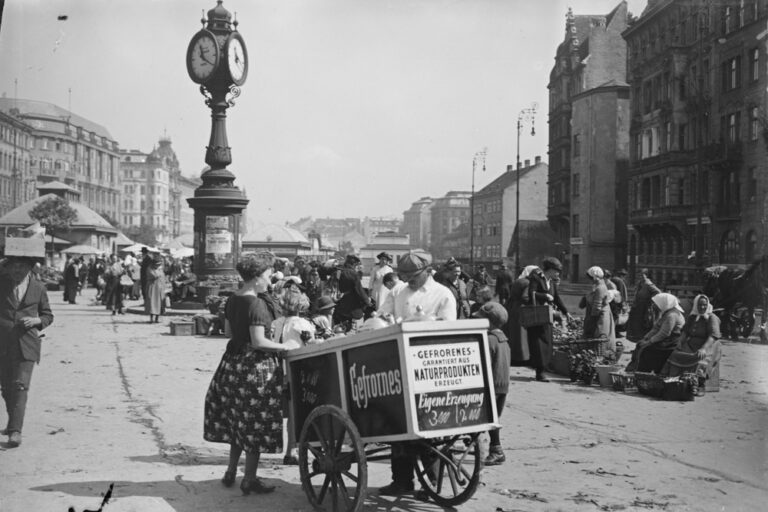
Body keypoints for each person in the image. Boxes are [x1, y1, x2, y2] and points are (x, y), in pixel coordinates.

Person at [203, 251, 289, 495]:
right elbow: (259, 341)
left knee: (237, 421)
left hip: (231, 366)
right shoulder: (257, 304)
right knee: (255, 423)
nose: (270, 280)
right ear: (256, 277)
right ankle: (249, 479)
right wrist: (285, 346)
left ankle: (230, 471)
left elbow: (230, 333)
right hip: (255, 369)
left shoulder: (232, 299)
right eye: (268, 275)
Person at [377, 250, 456, 496]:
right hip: (398, 364)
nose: (409, 280)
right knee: (398, 425)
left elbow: (449, 331)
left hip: (430, 368)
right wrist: (384, 318)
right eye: (406, 276)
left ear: (427, 272)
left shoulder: (443, 294)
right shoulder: (398, 291)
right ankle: (401, 481)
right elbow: (382, 315)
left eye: (413, 276)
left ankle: (433, 484)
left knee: (430, 428)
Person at [0, 255, 54, 448]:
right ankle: (12, 422)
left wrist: (36, 321)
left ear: (30, 268)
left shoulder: (39, 288)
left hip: (27, 344)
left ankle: (15, 431)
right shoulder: (2, 283)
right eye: (13, 267)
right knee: (6, 388)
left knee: (20, 386)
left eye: (21, 267)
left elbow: (48, 315)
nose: (16, 271)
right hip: (3, 343)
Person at [271, 287, 316, 465]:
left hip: (280, 369)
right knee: (298, 412)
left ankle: (290, 451)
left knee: (289, 413)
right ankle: (294, 450)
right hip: (298, 369)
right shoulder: (302, 324)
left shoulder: (277, 322)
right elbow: (310, 343)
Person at [472, 301, 510, 466]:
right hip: (502, 385)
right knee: (493, 417)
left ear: (489, 322)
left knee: (487, 418)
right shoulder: (502, 339)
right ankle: (495, 448)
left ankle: (496, 449)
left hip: (491, 385)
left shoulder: (488, 340)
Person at [526, 257, 572, 382]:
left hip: (546, 316)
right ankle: (539, 372)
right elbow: (531, 294)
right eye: (556, 270)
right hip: (536, 316)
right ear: (549, 270)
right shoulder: (536, 278)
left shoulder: (551, 281)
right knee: (538, 344)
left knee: (547, 342)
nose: (558, 273)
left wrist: (566, 312)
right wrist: (545, 295)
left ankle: (543, 367)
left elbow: (556, 298)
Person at [660, 294, 722, 385]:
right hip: (691, 345)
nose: (702, 307)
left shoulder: (712, 318)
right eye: (700, 304)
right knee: (674, 354)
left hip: (708, 346)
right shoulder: (692, 317)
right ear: (696, 305)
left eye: (704, 305)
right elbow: (685, 332)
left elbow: (713, 336)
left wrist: (703, 348)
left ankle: (696, 383)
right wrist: (680, 342)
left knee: (699, 359)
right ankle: (674, 380)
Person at [625, 293, 685, 373]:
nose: (655, 306)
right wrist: (645, 338)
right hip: (665, 340)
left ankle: (643, 373)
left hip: (670, 343)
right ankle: (635, 370)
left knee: (647, 350)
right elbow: (656, 328)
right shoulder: (667, 313)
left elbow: (664, 333)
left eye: (657, 304)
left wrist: (649, 342)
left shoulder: (672, 315)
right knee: (639, 345)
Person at [579, 266, 616, 351]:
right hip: (596, 316)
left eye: (590, 278)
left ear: (594, 277)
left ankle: (602, 356)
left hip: (600, 318)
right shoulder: (596, 286)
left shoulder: (600, 288)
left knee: (600, 337)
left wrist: (590, 323)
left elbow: (597, 308)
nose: (589, 280)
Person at [506, 265, 537, 365]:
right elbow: (525, 297)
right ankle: (522, 358)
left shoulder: (518, 280)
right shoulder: (528, 282)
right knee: (521, 335)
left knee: (513, 334)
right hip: (522, 309)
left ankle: (513, 357)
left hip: (513, 307)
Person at [332, 255, 372, 331]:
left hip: (339, 300)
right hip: (351, 303)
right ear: (354, 264)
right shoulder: (353, 274)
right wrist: (367, 301)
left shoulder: (339, 271)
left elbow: (336, 282)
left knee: (341, 322)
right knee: (350, 323)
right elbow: (359, 290)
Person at [627, 268, 661, 342]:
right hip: (638, 307)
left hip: (644, 309)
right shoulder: (640, 283)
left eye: (642, 275)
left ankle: (643, 343)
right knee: (636, 327)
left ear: (646, 275)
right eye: (639, 275)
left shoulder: (648, 284)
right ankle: (638, 344)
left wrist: (650, 299)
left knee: (644, 326)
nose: (640, 276)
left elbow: (658, 292)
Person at [144, 254, 166, 324]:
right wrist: (159, 271)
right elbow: (155, 275)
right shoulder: (149, 268)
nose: (158, 266)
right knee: (152, 302)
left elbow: (163, 277)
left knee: (159, 303)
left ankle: (157, 318)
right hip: (152, 287)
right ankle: (151, 318)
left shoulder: (160, 269)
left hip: (159, 287)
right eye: (157, 264)